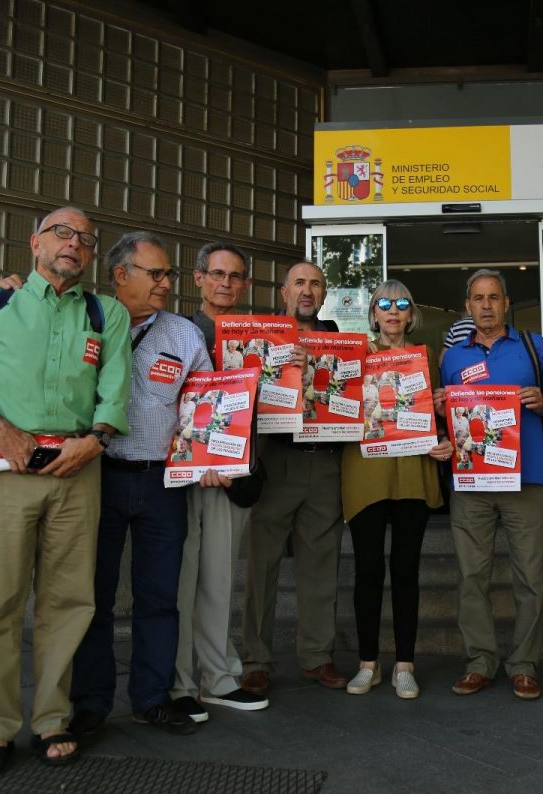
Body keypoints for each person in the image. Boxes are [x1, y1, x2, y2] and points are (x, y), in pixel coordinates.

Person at [0, 206, 132, 774]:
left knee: (69, 604)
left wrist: (93, 442)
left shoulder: (106, 312)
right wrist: (5, 432)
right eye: (62, 234)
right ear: (35, 243)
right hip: (4, 469)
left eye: (86, 240)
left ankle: (52, 719)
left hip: (78, 469)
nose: (74, 244)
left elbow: (115, 387)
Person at [69, 232, 211, 737]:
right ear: (120, 274)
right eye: (156, 274)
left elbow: (205, 409)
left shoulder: (184, 336)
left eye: (169, 274)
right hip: (95, 478)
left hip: (161, 483)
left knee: (159, 597)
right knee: (94, 595)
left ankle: (152, 697)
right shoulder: (83, 319)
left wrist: (212, 452)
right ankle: (90, 703)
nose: (167, 284)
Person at [167, 242, 270, 724]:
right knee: (182, 580)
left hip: (233, 472)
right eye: (217, 274)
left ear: (245, 284)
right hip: (181, 470)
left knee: (219, 579)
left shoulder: (258, 338)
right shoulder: (175, 331)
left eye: (235, 276)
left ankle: (220, 678)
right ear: (198, 278)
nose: (226, 283)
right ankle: (180, 683)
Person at [439, 269, 543, 701]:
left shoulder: (533, 347)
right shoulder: (452, 359)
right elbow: (447, 417)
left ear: (507, 303)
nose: (486, 305)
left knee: (531, 577)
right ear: (467, 307)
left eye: (494, 297)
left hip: (529, 477)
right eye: (478, 298)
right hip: (471, 481)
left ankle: (523, 665)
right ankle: (480, 662)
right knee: (472, 576)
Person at [341, 280, 454, 698]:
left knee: (406, 569)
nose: (392, 310)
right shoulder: (354, 354)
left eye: (401, 303)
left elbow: (440, 418)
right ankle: (367, 663)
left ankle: (405, 663)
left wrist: (444, 428)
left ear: (411, 315)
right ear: (373, 314)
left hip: (412, 471)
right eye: (383, 304)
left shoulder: (426, 358)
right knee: (368, 570)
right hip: (365, 471)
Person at [241, 261, 349, 695]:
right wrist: (279, 363)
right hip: (277, 458)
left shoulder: (340, 340)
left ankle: (317, 657)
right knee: (262, 564)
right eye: (300, 283)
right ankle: (256, 659)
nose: (307, 291)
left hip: (325, 462)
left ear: (325, 295)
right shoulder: (258, 336)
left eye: (316, 284)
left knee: (321, 563)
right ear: (284, 291)